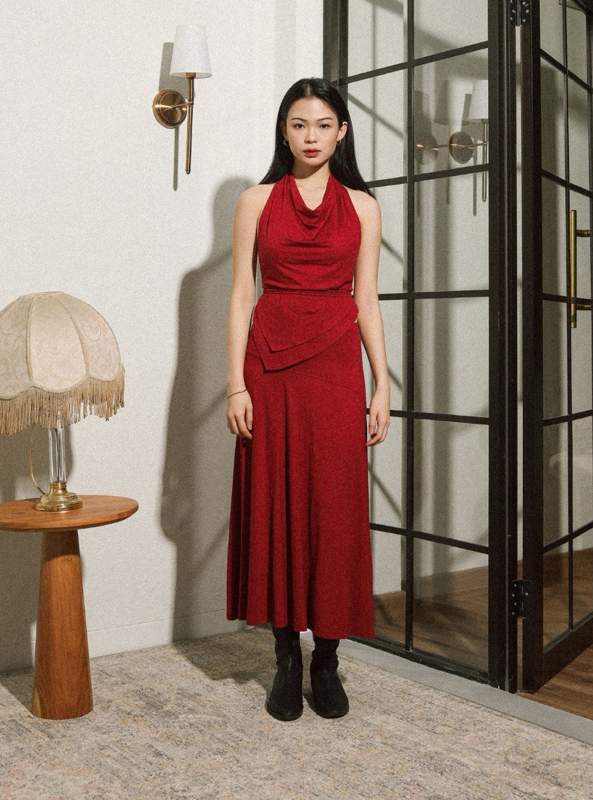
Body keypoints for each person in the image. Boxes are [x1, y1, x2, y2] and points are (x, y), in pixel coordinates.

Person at [225, 78, 390, 721]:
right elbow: (242, 294)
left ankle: (327, 659)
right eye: (299, 124)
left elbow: (366, 297)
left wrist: (382, 383)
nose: (311, 136)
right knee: (275, 502)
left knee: (333, 508)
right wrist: (235, 383)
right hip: (269, 367)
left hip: (335, 368)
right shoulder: (256, 200)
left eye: (323, 125)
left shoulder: (364, 207)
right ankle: (284, 659)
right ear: (284, 131)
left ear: (342, 132)